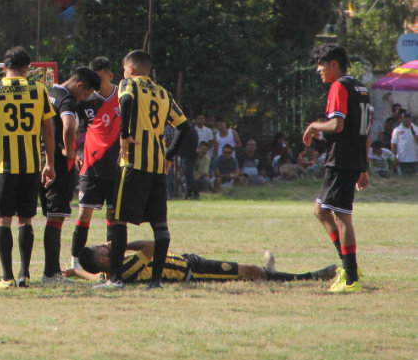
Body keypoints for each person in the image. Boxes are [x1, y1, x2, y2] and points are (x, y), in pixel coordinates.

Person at [97, 50, 191, 289]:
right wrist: (169, 155)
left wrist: (124, 134)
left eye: (124, 68)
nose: (123, 73)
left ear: (131, 69)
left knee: (117, 220)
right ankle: (156, 280)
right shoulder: (163, 93)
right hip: (157, 166)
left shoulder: (128, 84)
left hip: (133, 163)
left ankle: (115, 279)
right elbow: (184, 127)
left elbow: (126, 100)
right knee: (160, 225)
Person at [0, 46, 56, 289]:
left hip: (4, 168)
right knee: (26, 220)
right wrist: (49, 162)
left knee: (3, 220)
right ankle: (24, 274)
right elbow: (48, 130)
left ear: (3, 67)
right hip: (31, 167)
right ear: (26, 69)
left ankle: (6, 276)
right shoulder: (39, 90)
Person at [302, 44, 371, 294]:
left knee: (342, 216)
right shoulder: (361, 88)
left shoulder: (339, 86)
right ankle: (347, 265)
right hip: (349, 160)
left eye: (321, 64)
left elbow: (338, 125)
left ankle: (351, 278)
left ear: (334, 64)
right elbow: (365, 129)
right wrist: (364, 166)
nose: (318, 70)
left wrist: (314, 125)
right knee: (321, 211)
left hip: (341, 160)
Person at [38, 66, 100, 283]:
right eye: (85, 94)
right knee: (56, 217)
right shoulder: (67, 100)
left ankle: (32, 272)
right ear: (79, 85)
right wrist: (70, 151)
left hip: (39, 160)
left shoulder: (48, 91)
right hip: (58, 164)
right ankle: (51, 273)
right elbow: (68, 125)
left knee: (46, 218)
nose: (83, 99)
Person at [76, 240, 337, 284]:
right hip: (194, 272)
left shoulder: (112, 277)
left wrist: (77, 273)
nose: (107, 245)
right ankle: (309, 277)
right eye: (104, 247)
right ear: (102, 258)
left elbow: (96, 277)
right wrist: (123, 244)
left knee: (250, 272)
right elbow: (152, 246)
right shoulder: (124, 269)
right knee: (251, 272)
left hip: (189, 260)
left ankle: (269, 273)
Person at [69, 57, 121, 270]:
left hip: (118, 167)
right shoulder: (86, 100)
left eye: (99, 78)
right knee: (83, 214)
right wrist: (74, 150)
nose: (95, 83)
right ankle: (74, 264)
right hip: (91, 167)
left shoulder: (124, 96)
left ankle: (113, 263)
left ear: (110, 75)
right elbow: (71, 125)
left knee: (114, 216)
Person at [390, 109, 418, 175]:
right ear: (401, 119)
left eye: (409, 117)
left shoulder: (416, 129)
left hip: (414, 159)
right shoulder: (397, 130)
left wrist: (414, 134)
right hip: (402, 159)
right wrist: (394, 157)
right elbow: (394, 145)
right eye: (405, 118)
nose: (407, 120)